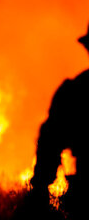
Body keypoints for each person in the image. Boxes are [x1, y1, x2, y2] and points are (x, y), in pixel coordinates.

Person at [30, 26, 89, 219]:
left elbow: (50, 138)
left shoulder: (76, 91)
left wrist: (40, 186)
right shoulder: (76, 90)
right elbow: (51, 137)